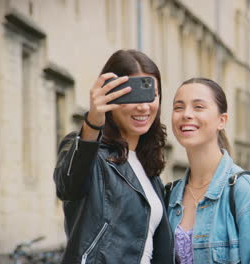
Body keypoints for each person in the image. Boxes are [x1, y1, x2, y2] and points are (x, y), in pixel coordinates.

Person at [53, 50, 173, 264]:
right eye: (132, 95)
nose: (143, 106)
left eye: (150, 95)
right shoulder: (87, 151)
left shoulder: (149, 167)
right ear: (109, 97)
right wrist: (92, 123)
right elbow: (67, 185)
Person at [166, 78, 250, 263]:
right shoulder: (169, 195)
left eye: (198, 107)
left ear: (221, 120)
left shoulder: (247, 194)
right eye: (179, 107)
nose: (186, 114)